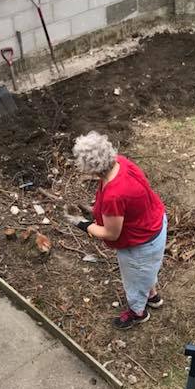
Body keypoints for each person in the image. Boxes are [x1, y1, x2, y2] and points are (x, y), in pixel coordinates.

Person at [65, 132, 167, 331]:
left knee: (135, 278)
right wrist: (96, 211)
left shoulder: (115, 195)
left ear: (90, 168)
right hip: (154, 224)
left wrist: (81, 223)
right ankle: (152, 296)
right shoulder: (121, 162)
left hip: (141, 243)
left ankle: (138, 313)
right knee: (145, 271)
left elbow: (111, 234)